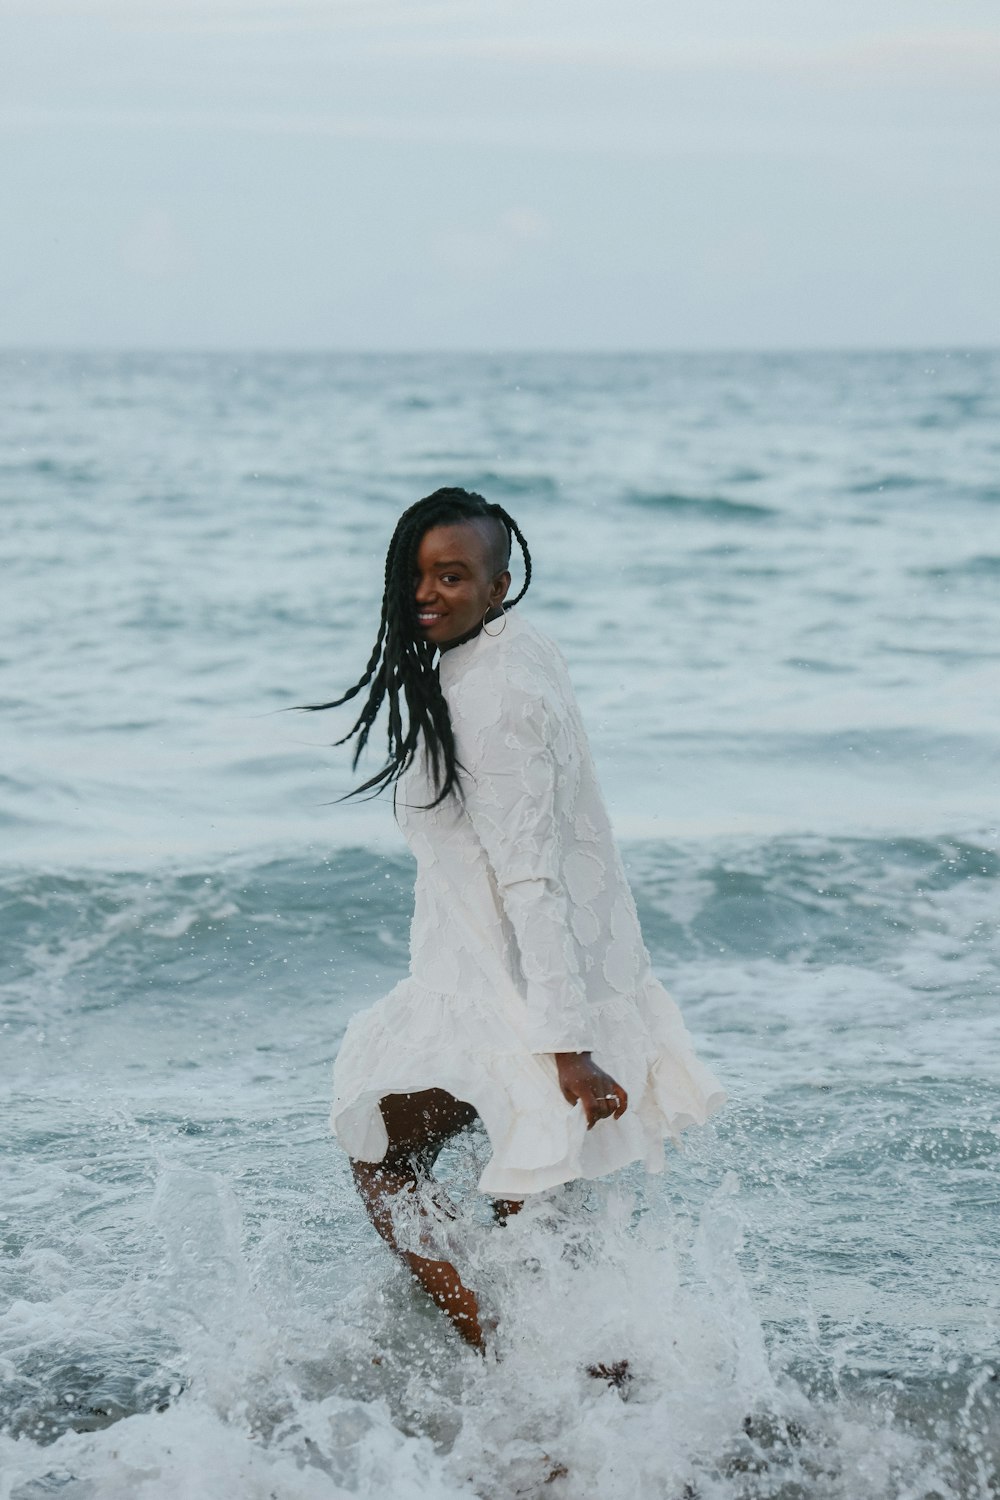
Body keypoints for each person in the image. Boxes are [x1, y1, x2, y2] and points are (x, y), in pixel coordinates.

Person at [308, 488, 725, 1350]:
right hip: (532, 990)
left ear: (499, 587)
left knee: (385, 1158)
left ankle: (503, 1359)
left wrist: (566, 1051)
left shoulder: (488, 697)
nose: (426, 593)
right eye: (416, 574)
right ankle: (592, 1406)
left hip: (514, 1003)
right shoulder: (513, 656)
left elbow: (531, 878)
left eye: (452, 577)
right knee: (531, 1228)